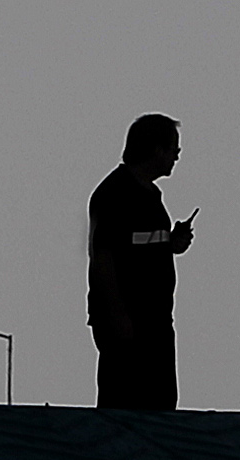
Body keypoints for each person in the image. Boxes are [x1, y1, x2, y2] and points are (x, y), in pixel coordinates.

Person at [87, 114, 194, 410]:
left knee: (160, 405)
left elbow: (140, 245)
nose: (176, 158)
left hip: (155, 321)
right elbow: (103, 257)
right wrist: (118, 315)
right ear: (157, 150)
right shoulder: (114, 194)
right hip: (128, 324)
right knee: (122, 406)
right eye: (174, 150)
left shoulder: (150, 197)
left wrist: (171, 244)